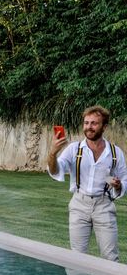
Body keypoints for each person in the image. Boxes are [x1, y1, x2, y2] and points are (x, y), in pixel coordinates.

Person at [48, 105, 127, 261]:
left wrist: (119, 185)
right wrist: (53, 152)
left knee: (111, 258)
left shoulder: (115, 152)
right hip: (79, 203)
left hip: (104, 205)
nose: (89, 127)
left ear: (104, 127)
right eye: (86, 123)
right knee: (77, 257)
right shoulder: (74, 149)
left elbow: (124, 178)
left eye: (94, 123)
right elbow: (56, 170)